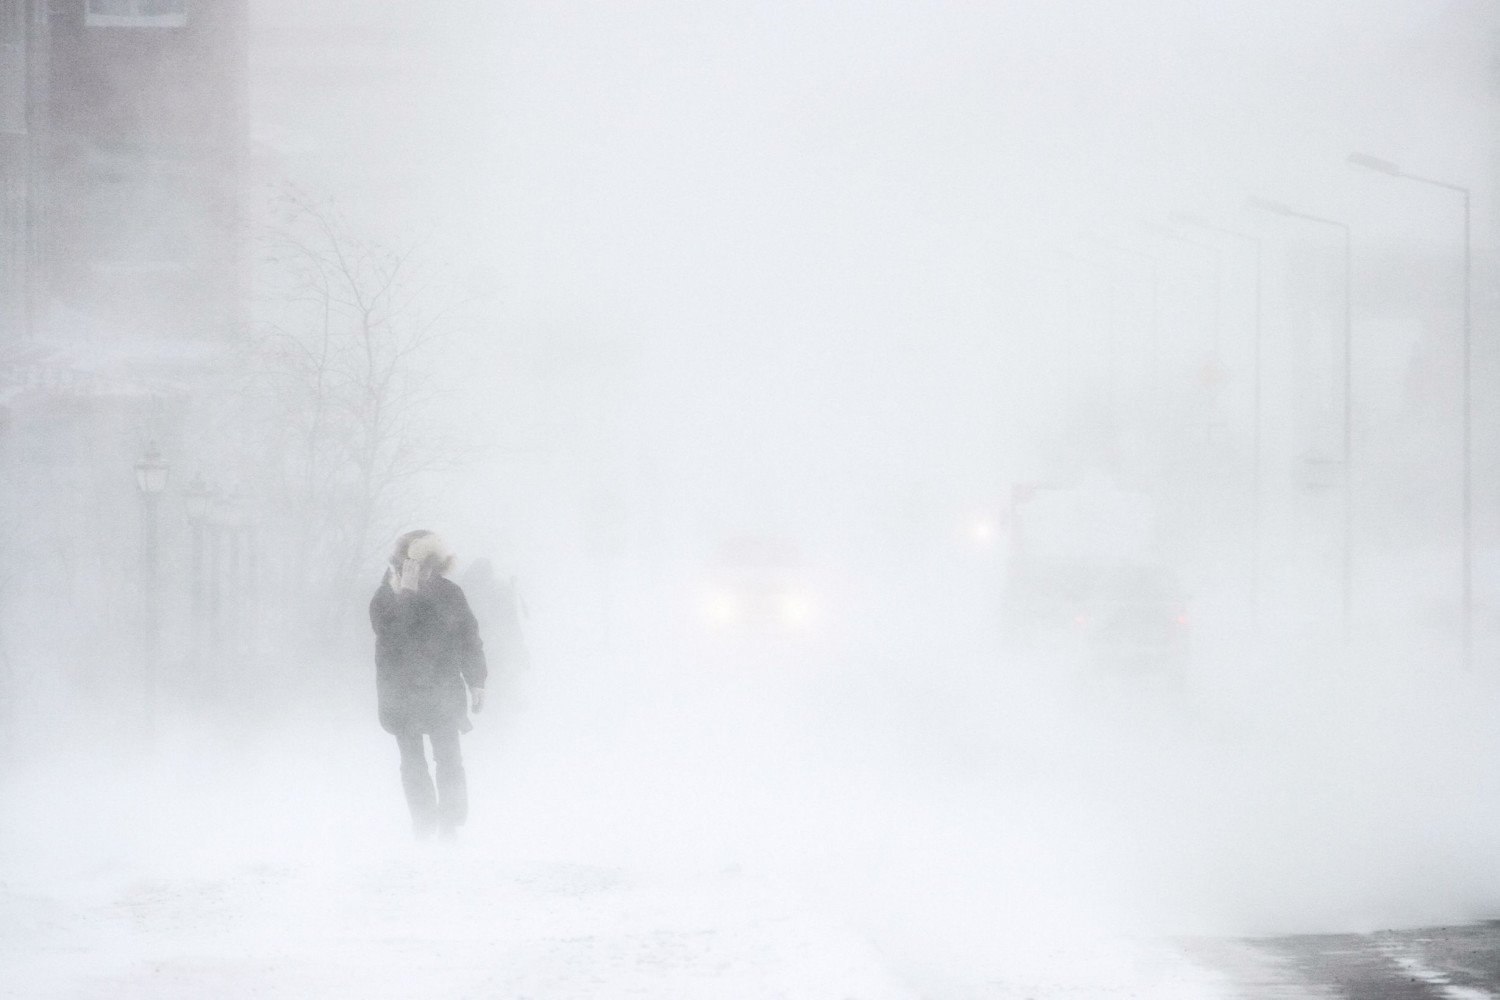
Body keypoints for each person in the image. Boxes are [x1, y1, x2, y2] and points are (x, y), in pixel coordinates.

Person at [369, 530, 486, 840]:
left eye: (430, 567)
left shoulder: (449, 593)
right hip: (401, 692)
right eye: (417, 567)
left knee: (449, 759)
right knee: (412, 762)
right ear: (404, 565)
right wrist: (406, 595)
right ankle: (423, 823)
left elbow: (468, 639)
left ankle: (450, 825)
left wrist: (477, 680)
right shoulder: (386, 597)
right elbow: (393, 638)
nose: (425, 574)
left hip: (442, 689)